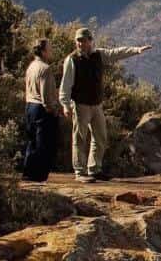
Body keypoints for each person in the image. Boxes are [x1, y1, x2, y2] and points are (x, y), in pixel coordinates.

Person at [59, 28, 153, 183]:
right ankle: (80, 172)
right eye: (78, 41)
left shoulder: (98, 55)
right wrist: (65, 104)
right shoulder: (72, 60)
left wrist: (136, 50)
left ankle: (94, 169)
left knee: (100, 137)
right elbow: (66, 84)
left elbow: (116, 53)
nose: (80, 43)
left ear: (90, 41)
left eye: (83, 40)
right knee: (80, 138)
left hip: (96, 105)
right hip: (80, 105)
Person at [19, 38, 63, 182]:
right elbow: (46, 97)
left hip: (29, 106)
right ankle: (38, 176)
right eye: (49, 48)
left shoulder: (31, 66)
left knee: (32, 141)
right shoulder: (45, 69)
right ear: (43, 51)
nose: (51, 50)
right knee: (43, 143)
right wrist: (54, 110)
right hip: (42, 110)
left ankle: (28, 172)